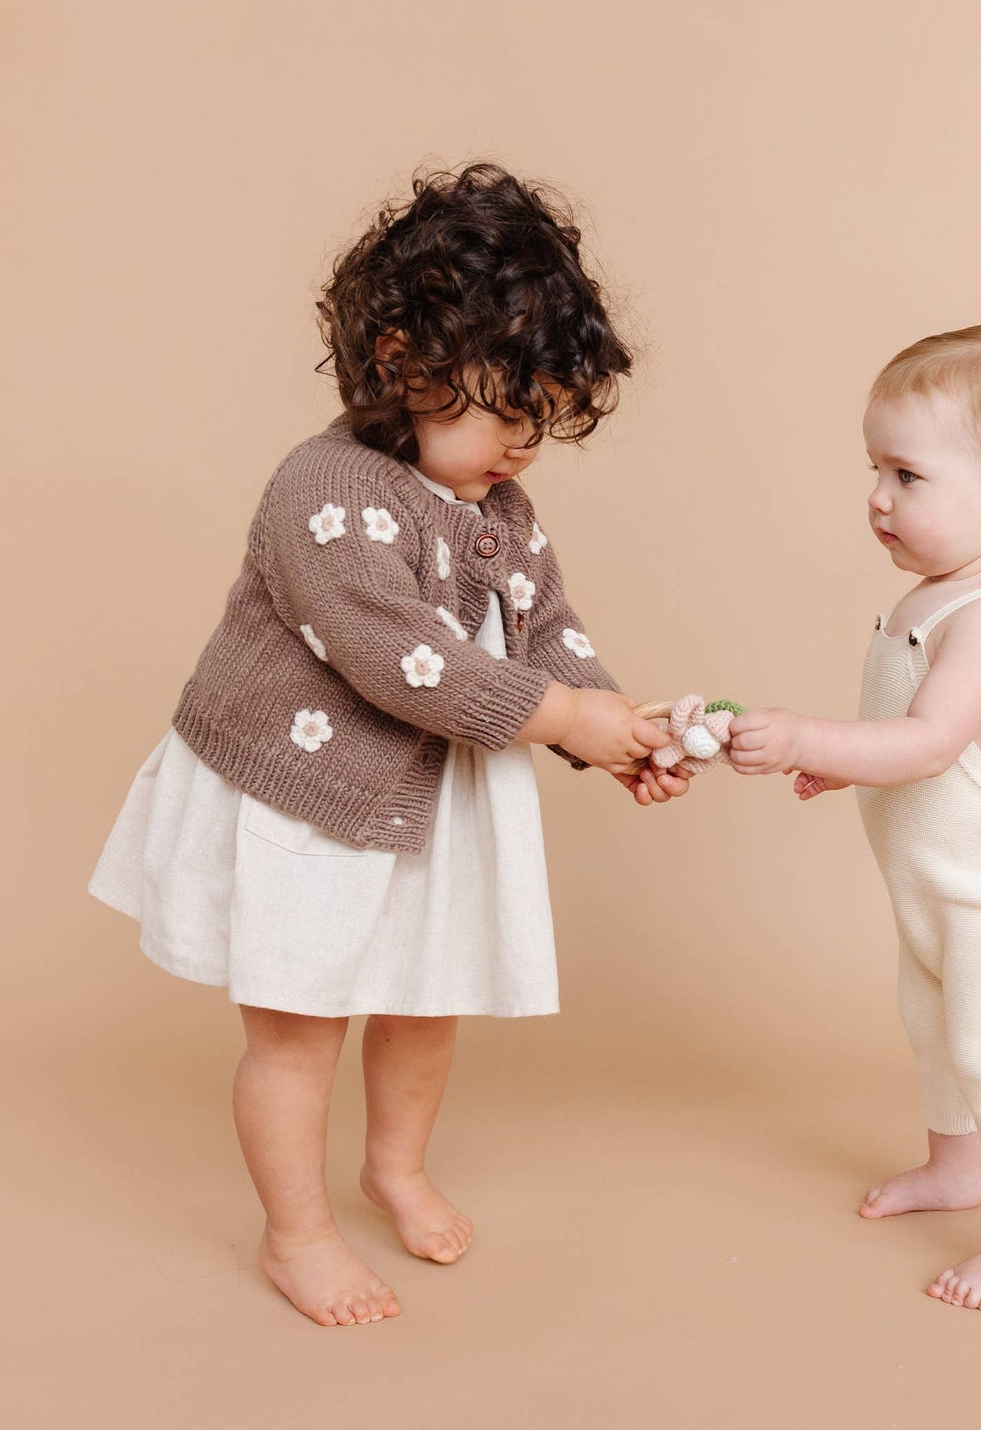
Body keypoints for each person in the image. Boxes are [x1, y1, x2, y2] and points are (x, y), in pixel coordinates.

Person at [89, 163, 687, 1327]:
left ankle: (396, 1167)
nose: (522, 443)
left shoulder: (499, 509)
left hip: (430, 806)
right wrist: (562, 719)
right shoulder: (322, 490)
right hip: (308, 799)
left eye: (541, 419)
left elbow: (543, 632)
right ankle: (296, 1231)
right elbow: (401, 657)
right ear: (401, 362)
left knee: (425, 997)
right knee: (298, 1027)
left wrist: (610, 728)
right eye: (504, 410)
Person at [729, 323, 981, 1311]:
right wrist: (851, 769)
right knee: (933, 1032)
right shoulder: (928, 599)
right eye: (873, 468)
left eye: (905, 474)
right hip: (937, 888)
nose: (876, 497)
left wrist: (810, 741)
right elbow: (908, 740)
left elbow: (931, 743)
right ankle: (953, 1168)